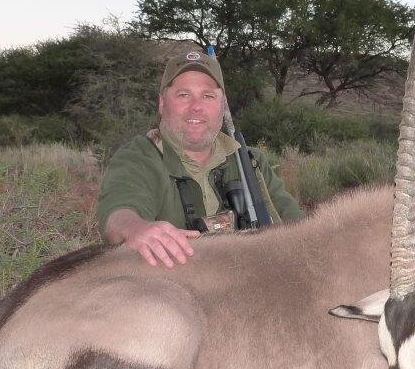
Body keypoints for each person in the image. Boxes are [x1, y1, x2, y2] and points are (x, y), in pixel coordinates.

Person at [97, 50, 302, 267]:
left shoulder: (252, 161)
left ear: (222, 105)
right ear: (161, 103)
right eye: (183, 95)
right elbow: (118, 212)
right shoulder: (138, 158)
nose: (196, 107)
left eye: (208, 96)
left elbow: (300, 226)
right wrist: (135, 228)